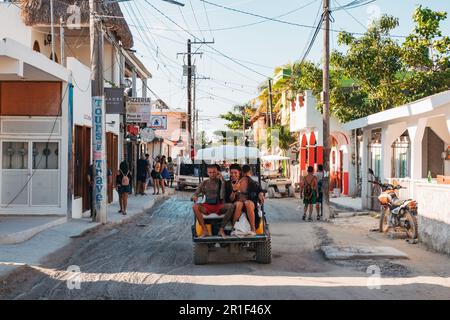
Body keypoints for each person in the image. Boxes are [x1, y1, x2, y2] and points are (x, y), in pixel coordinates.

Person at [192, 164, 234, 238]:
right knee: (195, 206)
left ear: (218, 172)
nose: (212, 174)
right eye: (210, 172)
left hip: (219, 205)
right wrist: (194, 197)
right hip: (207, 206)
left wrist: (222, 181)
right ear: (207, 173)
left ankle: (221, 229)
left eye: (214, 172)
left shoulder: (222, 182)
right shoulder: (204, 183)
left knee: (231, 206)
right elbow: (195, 194)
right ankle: (205, 230)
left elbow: (222, 195)